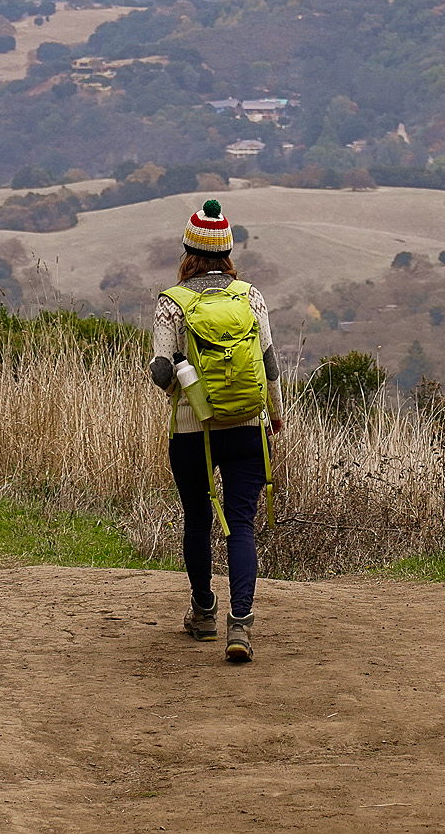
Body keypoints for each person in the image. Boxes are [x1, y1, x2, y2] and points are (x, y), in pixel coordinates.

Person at [149, 198, 283, 664]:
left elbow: (162, 372)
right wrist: (275, 413)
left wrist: (182, 377)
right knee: (240, 525)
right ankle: (240, 626)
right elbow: (270, 364)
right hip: (249, 425)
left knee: (198, 520)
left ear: (188, 251)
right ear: (228, 252)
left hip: (192, 430)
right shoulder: (251, 296)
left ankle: (204, 612)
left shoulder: (172, 303)